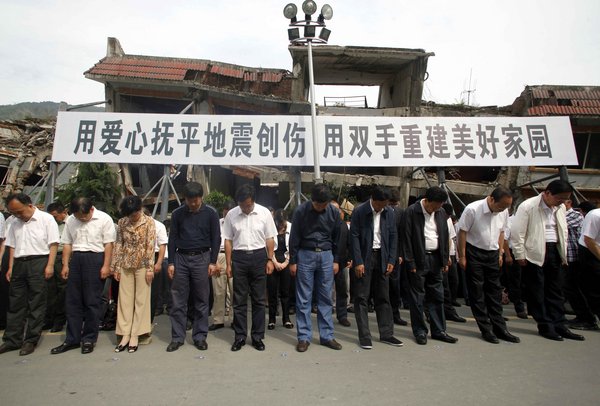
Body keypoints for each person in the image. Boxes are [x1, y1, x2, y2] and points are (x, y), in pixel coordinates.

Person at [510, 180, 584, 341]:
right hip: (535, 252)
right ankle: (545, 325)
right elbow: (518, 233)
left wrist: (563, 254)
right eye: (559, 198)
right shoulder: (528, 206)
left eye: (565, 199)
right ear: (548, 193)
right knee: (537, 291)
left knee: (556, 291)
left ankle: (560, 325)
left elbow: (562, 231)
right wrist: (519, 254)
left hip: (555, 251)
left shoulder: (561, 208)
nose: (562, 202)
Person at [50, 197, 115, 355]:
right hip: (76, 259)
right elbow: (67, 243)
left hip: (95, 258)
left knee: (92, 301)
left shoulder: (104, 219)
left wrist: (106, 266)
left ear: (91, 209)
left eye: (84, 216)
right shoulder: (71, 220)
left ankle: (89, 338)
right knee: (73, 301)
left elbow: (109, 244)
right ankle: (72, 339)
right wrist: (65, 264)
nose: (82, 219)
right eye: (79, 216)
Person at [457, 186, 520, 344]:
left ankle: (500, 328)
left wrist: (500, 253)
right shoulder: (472, 209)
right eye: (500, 206)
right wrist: (463, 256)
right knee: (477, 292)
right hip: (474, 252)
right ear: (491, 199)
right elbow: (462, 232)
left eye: (506, 207)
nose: (502, 210)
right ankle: (486, 328)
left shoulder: (503, 212)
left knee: (494, 291)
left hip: (492, 253)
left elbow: (502, 232)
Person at [0, 193, 59, 356]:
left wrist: (50, 265)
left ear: (29, 205)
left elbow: (53, 243)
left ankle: (30, 340)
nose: (18, 215)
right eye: (14, 212)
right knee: (15, 303)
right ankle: (12, 339)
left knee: (36, 302)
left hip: (39, 261)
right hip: (19, 262)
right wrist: (11, 267)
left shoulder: (46, 219)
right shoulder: (13, 222)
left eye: (20, 211)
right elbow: (11, 245)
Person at [166, 182, 220, 352]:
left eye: (196, 200)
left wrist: (212, 261)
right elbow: (172, 238)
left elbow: (216, 238)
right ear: (185, 199)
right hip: (181, 257)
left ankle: (200, 336)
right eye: (189, 201)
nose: (193, 204)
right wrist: (172, 262)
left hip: (202, 258)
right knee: (178, 300)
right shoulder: (177, 214)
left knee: (202, 299)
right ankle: (177, 337)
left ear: (201, 197)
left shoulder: (211, 213)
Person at [289, 184, 342, 353]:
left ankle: (327, 335)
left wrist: (337, 260)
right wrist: (293, 260)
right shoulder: (301, 211)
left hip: (326, 255)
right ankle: (304, 337)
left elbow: (338, 237)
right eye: (318, 204)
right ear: (312, 200)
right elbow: (294, 236)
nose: (321, 207)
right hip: (306, 254)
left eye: (324, 204)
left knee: (325, 296)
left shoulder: (333, 212)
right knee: (304, 297)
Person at [401, 186, 458, 345]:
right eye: (434, 205)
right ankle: (420, 331)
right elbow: (406, 238)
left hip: (436, 259)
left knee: (437, 296)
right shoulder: (412, 212)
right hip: (419, 260)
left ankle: (439, 330)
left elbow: (445, 236)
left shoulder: (440, 213)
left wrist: (445, 258)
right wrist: (410, 261)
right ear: (426, 200)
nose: (436, 209)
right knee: (418, 297)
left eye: (439, 206)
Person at [224, 185, 277, 352]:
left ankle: (257, 337)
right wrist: (228, 264)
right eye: (241, 205)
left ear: (253, 200)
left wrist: (270, 259)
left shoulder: (264, 213)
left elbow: (270, 237)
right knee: (239, 301)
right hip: (239, 258)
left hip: (259, 256)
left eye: (247, 205)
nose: (244, 208)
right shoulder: (232, 214)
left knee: (259, 300)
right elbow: (228, 240)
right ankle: (240, 336)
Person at [350, 186, 403, 349]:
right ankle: (364, 336)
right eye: (381, 204)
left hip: (383, 256)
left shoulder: (389, 213)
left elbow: (394, 236)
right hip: (365, 257)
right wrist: (358, 261)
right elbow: (354, 237)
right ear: (374, 200)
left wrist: (391, 259)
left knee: (383, 296)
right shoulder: (360, 212)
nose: (383, 207)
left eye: (386, 204)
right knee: (361, 297)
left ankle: (387, 333)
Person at [111, 196, 156, 353]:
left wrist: (150, 268)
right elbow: (118, 244)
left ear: (140, 209)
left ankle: (136, 334)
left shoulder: (149, 222)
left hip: (143, 264)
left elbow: (150, 245)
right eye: (129, 215)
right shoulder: (122, 222)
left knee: (141, 300)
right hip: (125, 263)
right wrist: (115, 267)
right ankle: (124, 333)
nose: (132, 217)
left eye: (134, 214)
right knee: (124, 299)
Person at [564, 200, 598, 330]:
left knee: (576, 288)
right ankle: (584, 317)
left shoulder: (576, 216)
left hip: (575, 257)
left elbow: (588, 240)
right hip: (568, 257)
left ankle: (587, 318)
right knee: (570, 288)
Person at [209, 201, 236, 331]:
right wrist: (214, 260)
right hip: (219, 255)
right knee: (218, 290)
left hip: (235, 256)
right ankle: (218, 320)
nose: (227, 214)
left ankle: (234, 319)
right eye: (225, 211)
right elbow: (210, 241)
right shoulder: (217, 223)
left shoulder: (238, 221)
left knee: (234, 290)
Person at [267, 209, 294, 330]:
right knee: (272, 291)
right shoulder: (271, 227)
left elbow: (293, 246)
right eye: (279, 222)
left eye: (282, 222)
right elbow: (267, 245)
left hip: (286, 261)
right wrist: (274, 262)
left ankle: (286, 318)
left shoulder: (291, 228)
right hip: (273, 260)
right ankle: (272, 319)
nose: (280, 225)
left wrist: (286, 262)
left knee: (286, 292)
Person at [44, 202, 68, 332]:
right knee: (49, 289)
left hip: (63, 257)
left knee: (62, 289)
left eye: (55, 216)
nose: (53, 219)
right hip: (49, 256)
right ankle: (49, 319)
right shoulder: (49, 223)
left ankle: (59, 319)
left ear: (64, 212)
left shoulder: (71, 222)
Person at [577, 207, 600, 326]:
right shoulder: (595, 215)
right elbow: (589, 239)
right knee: (593, 289)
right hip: (590, 252)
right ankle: (588, 319)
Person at [331, 200, 351, 327]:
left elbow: (348, 243)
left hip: (342, 262)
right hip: (326, 261)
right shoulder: (324, 224)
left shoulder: (344, 225)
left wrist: (350, 258)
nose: (336, 212)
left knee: (342, 289)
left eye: (338, 209)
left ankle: (342, 315)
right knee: (324, 290)